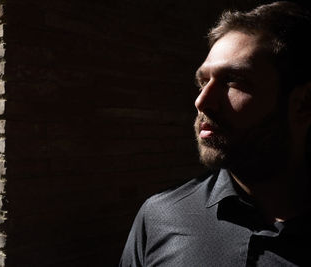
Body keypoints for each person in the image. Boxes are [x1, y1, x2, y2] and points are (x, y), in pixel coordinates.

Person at [119, 1, 311, 266]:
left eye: (235, 81)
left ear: (302, 104)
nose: (202, 101)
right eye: (202, 82)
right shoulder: (160, 218)